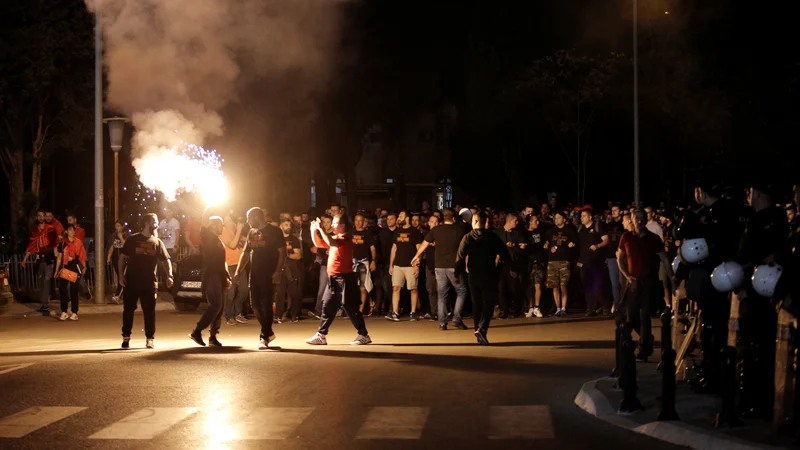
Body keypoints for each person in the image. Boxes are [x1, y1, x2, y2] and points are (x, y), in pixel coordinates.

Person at [305, 214, 372, 345]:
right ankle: (321, 334)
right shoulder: (336, 237)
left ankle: (363, 334)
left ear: (342, 226)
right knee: (328, 306)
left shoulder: (346, 238)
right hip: (334, 278)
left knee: (351, 308)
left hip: (344, 279)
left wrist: (321, 229)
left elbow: (330, 243)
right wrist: (314, 230)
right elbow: (319, 243)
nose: (332, 225)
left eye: (334, 223)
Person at [617, 210, 673, 361]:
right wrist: (627, 276)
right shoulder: (626, 237)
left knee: (644, 315)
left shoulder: (654, 238)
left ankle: (644, 349)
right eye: (637, 218)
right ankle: (645, 338)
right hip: (633, 282)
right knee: (630, 316)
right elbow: (620, 258)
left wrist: (672, 278)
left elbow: (665, 260)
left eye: (642, 218)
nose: (640, 221)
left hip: (649, 281)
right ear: (632, 220)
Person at [234, 207, 286, 350]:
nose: (247, 222)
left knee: (266, 304)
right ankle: (269, 332)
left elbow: (282, 252)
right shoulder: (251, 232)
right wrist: (238, 271)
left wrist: (278, 271)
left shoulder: (274, 231)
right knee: (255, 305)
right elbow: (245, 253)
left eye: (248, 218)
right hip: (255, 274)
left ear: (256, 217)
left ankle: (263, 337)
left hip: (268, 274)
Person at [118, 213, 173, 349]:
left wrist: (169, 275)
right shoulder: (132, 239)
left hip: (149, 283)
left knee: (149, 312)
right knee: (128, 310)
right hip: (132, 282)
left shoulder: (157, 242)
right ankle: (126, 337)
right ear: (148, 223)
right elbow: (122, 258)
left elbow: (166, 260)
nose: (157, 224)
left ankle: (150, 338)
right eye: (155, 221)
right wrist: (121, 276)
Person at [455, 210, 510, 345]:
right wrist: (509, 267)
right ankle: (482, 329)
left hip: (474, 274)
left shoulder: (468, 237)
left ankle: (478, 330)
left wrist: (457, 272)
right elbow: (505, 254)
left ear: (474, 222)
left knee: (477, 303)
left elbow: (460, 257)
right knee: (488, 303)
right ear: (485, 222)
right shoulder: (492, 237)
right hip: (489, 273)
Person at [411, 209, 470, 330]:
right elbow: (466, 249)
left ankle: (442, 323)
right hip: (454, 266)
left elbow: (425, 243)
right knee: (462, 291)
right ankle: (457, 319)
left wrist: (417, 256)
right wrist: (467, 265)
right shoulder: (459, 230)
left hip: (439, 266)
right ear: (453, 219)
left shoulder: (436, 230)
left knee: (442, 295)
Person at [189, 216, 231, 347]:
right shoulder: (207, 237)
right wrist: (209, 207)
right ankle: (197, 331)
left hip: (220, 276)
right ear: (213, 225)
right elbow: (203, 224)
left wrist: (227, 276)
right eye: (221, 225)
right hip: (212, 275)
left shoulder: (218, 240)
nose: (222, 227)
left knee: (220, 308)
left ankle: (213, 336)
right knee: (215, 306)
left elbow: (222, 261)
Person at [387, 211, 424, 321]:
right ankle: (395, 312)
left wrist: (417, 264)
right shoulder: (397, 232)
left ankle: (413, 312)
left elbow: (419, 250)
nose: (399, 218)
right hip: (398, 264)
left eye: (401, 216)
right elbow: (394, 249)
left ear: (407, 218)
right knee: (396, 288)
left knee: (413, 288)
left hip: (410, 265)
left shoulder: (415, 232)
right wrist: (391, 265)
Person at [22, 210, 60, 316]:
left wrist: (56, 256)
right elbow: (31, 246)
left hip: (49, 259)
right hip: (40, 260)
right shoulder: (35, 231)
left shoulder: (51, 229)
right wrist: (25, 259)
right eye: (39, 216)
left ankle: (45, 304)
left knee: (47, 281)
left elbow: (55, 244)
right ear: (37, 218)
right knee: (41, 282)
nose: (41, 217)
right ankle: (44, 303)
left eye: (42, 216)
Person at [544, 211, 578, 317]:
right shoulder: (550, 232)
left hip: (565, 261)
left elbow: (576, 244)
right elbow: (546, 244)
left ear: (564, 219)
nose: (556, 219)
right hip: (552, 261)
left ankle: (563, 308)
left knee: (563, 285)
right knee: (555, 286)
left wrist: (572, 245)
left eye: (559, 218)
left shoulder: (570, 231)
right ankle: (558, 308)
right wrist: (548, 247)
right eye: (555, 218)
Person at [577, 208, 609, 316]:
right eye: (581, 216)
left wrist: (598, 245)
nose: (581, 218)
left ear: (590, 217)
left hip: (596, 261)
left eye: (584, 216)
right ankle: (590, 308)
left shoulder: (597, 226)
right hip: (584, 262)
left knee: (598, 286)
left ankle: (605, 306)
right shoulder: (580, 229)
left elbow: (606, 239)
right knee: (587, 287)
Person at [495, 213, 526, 319]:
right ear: (509, 221)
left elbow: (522, 247)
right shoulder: (498, 233)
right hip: (500, 265)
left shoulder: (517, 233)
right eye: (515, 221)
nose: (517, 223)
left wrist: (514, 246)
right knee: (501, 288)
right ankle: (504, 310)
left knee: (514, 288)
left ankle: (517, 308)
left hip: (512, 264)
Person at [54, 225, 87, 321]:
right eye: (69, 230)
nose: (71, 232)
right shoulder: (63, 243)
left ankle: (74, 312)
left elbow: (82, 255)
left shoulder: (78, 242)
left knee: (74, 290)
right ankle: (64, 311)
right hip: (65, 267)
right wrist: (56, 270)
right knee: (63, 289)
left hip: (75, 267)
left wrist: (84, 266)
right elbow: (59, 258)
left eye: (73, 230)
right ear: (67, 231)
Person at [221, 215, 249, 325]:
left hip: (240, 266)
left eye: (229, 220)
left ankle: (238, 313)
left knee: (244, 290)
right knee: (231, 292)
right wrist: (239, 231)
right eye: (226, 221)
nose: (228, 222)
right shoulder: (224, 232)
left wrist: (243, 235)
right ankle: (229, 315)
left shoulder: (238, 234)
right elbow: (232, 245)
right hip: (230, 265)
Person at [276, 218, 303, 323]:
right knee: (279, 293)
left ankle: (294, 315)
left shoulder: (294, 239)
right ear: (281, 226)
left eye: (289, 225)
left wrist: (286, 255)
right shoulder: (277, 239)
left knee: (294, 293)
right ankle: (278, 315)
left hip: (292, 269)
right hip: (279, 269)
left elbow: (298, 255)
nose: (288, 227)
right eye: (286, 225)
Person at [352, 213, 377, 313]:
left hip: (363, 262)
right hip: (352, 262)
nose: (358, 223)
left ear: (363, 222)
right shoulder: (350, 233)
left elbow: (373, 249)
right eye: (356, 220)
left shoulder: (368, 234)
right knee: (354, 287)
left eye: (360, 221)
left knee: (363, 287)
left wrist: (373, 261)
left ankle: (360, 311)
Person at [523, 214, 546, 318]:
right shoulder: (524, 233)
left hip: (538, 262)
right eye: (535, 221)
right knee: (529, 286)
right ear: (530, 222)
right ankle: (531, 307)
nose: (538, 223)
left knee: (538, 284)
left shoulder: (540, 231)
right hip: (528, 262)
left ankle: (537, 307)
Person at [605, 204, 625, 309]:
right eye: (612, 210)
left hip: (622, 256)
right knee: (614, 283)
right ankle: (617, 305)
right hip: (611, 256)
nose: (613, 212)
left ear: (621, 212)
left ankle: (624, 303)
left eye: (615, 210)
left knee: (623, 282)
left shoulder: (623, 225)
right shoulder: (609, 226)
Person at [106, 220, 128, 304]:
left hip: (124, 258)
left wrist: (121, 237)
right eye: (116, 226)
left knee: (122, 276)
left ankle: (118, 294)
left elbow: (127, 246)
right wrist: (109, 256)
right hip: (116, 258)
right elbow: (112, 247)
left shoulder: (126, 235)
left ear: (122, 226)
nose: (117, 228)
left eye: (118, 226)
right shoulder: (113, 236)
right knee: (120, 276)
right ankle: (120, 294)